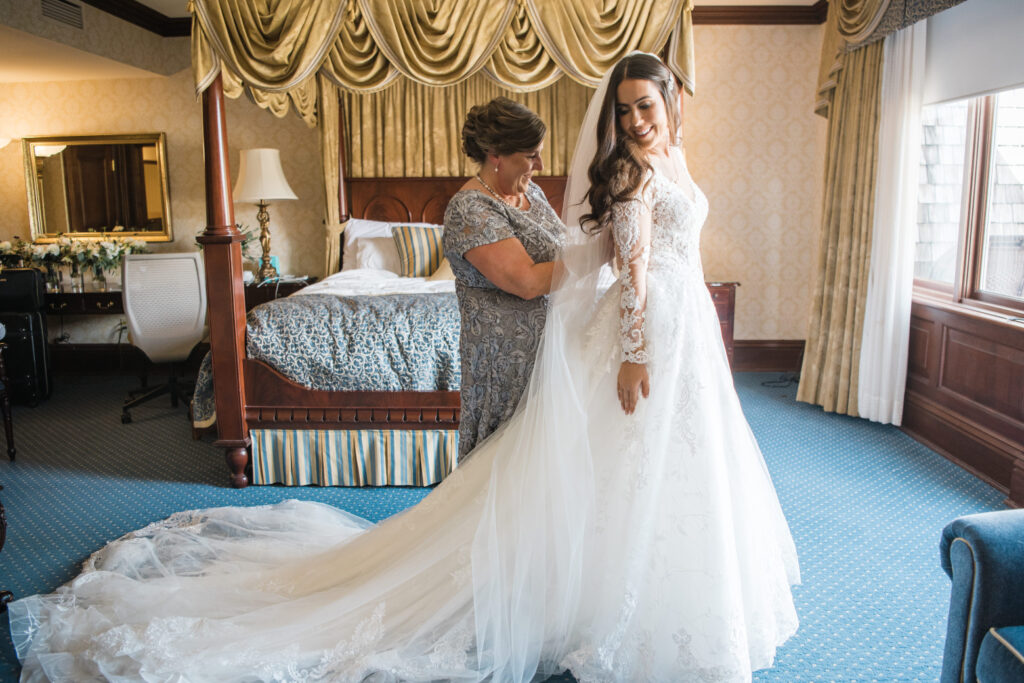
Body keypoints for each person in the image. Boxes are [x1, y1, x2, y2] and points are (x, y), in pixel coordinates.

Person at [8, 54, 799, 683]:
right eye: (521, 157)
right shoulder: (470, 210)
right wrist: (621, 320)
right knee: (513, 474)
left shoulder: (554, 193)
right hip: (517, 342)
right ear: (491, 157)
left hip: (598, 337)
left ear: (669, 106)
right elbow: (539, 275)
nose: (532, 166)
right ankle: (519, 587)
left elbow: (576, 245)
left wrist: (597, 268)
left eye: (644, 107)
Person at [443, 97, 565, 460]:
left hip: (550, 349)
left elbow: (558, 252)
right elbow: (526, 282)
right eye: (530, 155)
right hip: (507, 361)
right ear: (496, 154)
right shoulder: (470, 209)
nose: (540, 165)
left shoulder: (532, 192)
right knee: (508, 463)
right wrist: (595, 257)